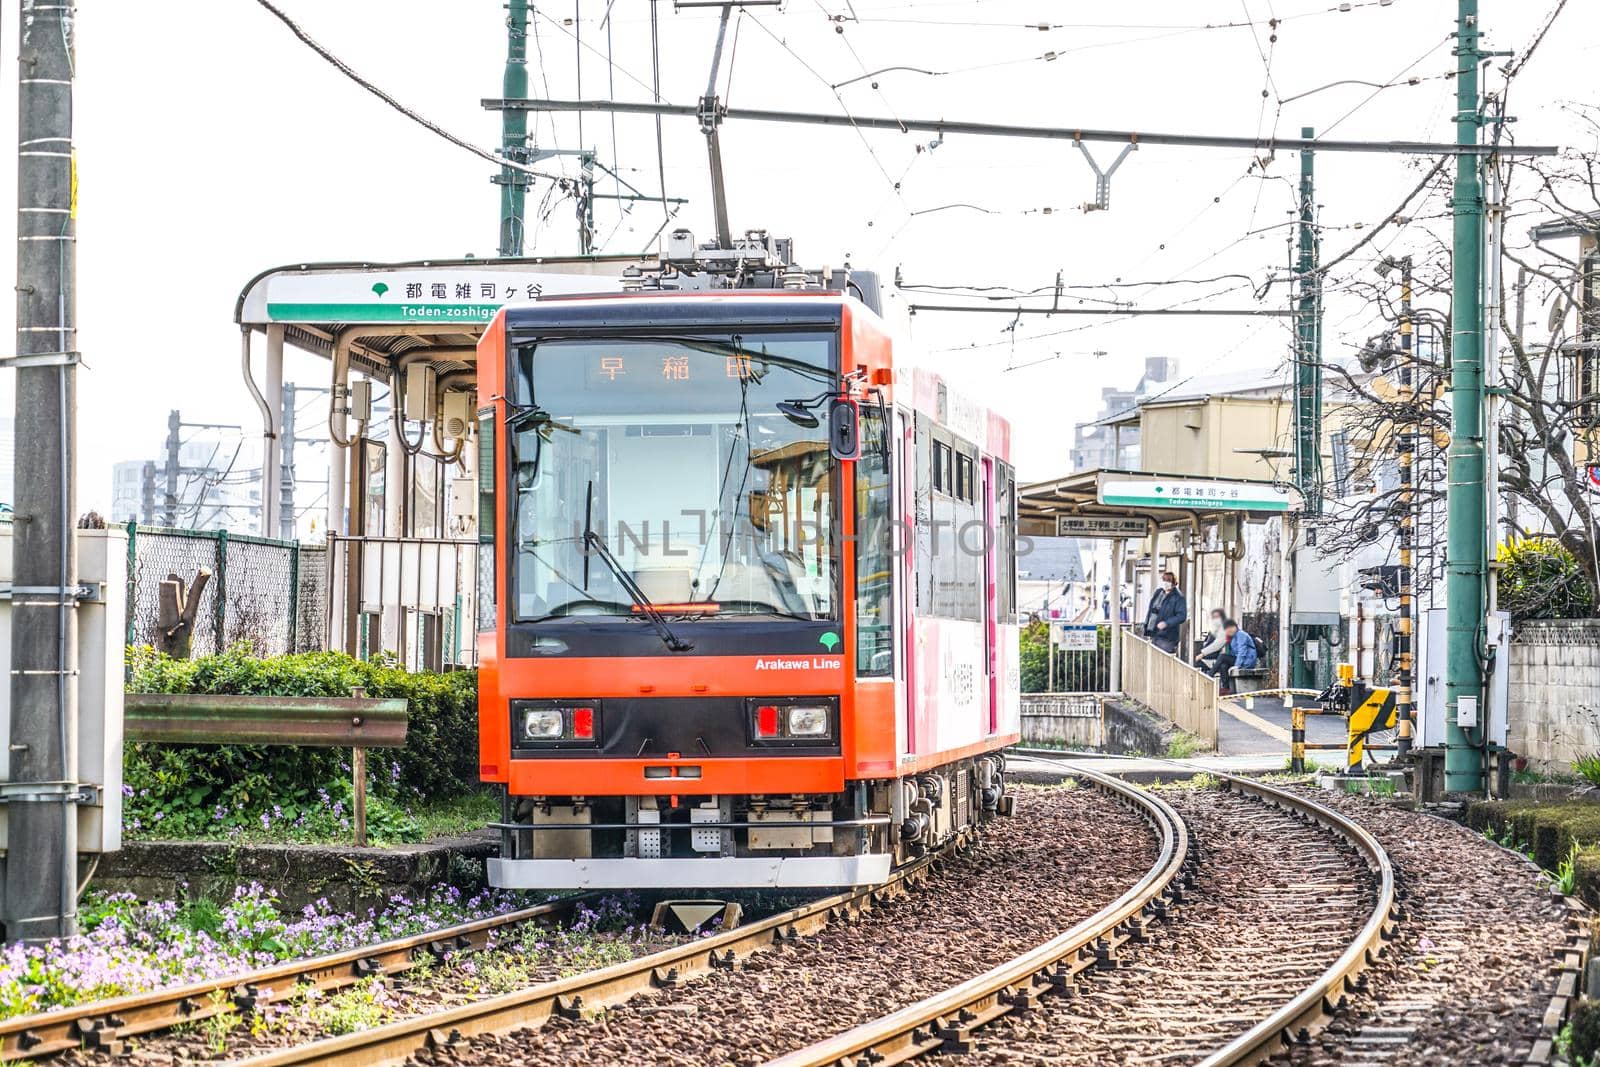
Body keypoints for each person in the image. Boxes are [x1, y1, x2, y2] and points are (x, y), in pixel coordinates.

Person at [1143, 571, 1187, 655]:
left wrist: (1166, 623)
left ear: (1174, 582)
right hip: (1153, 632)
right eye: (1164, 580)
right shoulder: (1159, 592)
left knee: (1162, 660)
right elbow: (1151, 609)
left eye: (1168, 580)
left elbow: (1182, 615)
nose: (1165, 582)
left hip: (1167, 637)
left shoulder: (1178, 597)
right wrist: (1146, 625)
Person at [1215, 618, 1259, 695]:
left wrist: (1237, 665)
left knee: (1222, 657)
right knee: (1223, 665)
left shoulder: (1241, 634)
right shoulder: (1233, 637)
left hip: (1247, 660)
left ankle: (1208, 675)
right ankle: (1226, 688)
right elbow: (1233, 653)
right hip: (1240, 660)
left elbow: (1242, 651)